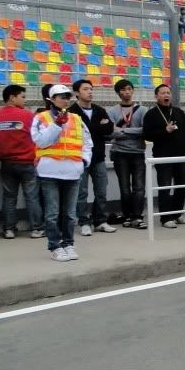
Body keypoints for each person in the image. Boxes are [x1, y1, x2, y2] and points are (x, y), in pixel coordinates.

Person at [31, 84, 92, 261]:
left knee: (70, 214)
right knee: (52, 214)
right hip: (49, 172)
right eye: (61, 96)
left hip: (72, 172)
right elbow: (41, 141)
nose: (66, 99)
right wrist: (57, 125)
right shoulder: (40, 118)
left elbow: (87, 142)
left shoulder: (76, 118)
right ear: (51, 99)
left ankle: (68, 244)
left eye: (67, 96)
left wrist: (84, 161)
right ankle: (55, 246)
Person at [69, 79, 116, 236]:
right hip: (80, 158)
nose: (90, 92)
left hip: (98, 157)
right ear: (77, 93)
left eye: (91, 89)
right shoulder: (71, 112)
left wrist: (93, 127)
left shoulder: (99, 110)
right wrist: (98, 126)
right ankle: (84, 222)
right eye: (85, 89)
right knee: (81, 193)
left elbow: (109, 128)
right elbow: (75, 132)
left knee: (101, 190)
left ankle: (100, 221)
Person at [143, 84, 185, 229]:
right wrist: (165, 131)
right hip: (163, 157)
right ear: (156, 96)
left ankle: (177, 213)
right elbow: (147, 135)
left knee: (182, 185)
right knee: (165, 187)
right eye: (163, 93)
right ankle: (165, 217)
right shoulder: (151, 114)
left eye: (168, 93)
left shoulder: (178, 112)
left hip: (181, 157)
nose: (166, 95)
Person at [0, 85, 43, 239]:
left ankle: (9, 229)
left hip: (7, 163)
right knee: (31, 196)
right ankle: (37, 228)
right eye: (22, 97)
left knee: (9, 197)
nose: (25, 100)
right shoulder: (28, 115)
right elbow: (39, 136)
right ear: (12, 97)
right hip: (27, 162)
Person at [107, 79, 147, 229]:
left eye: (129, 89)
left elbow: (144, 130)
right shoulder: (111, 111)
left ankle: (137, 216)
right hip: (119, 153)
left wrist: (123, 130)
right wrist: (133, 132)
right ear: (118, 93)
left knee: (139, 187)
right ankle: (128, 216)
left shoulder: (142, 110)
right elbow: (110, 133)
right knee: (124, 187)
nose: (127, 92)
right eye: (123, 89)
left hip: (138, 152)